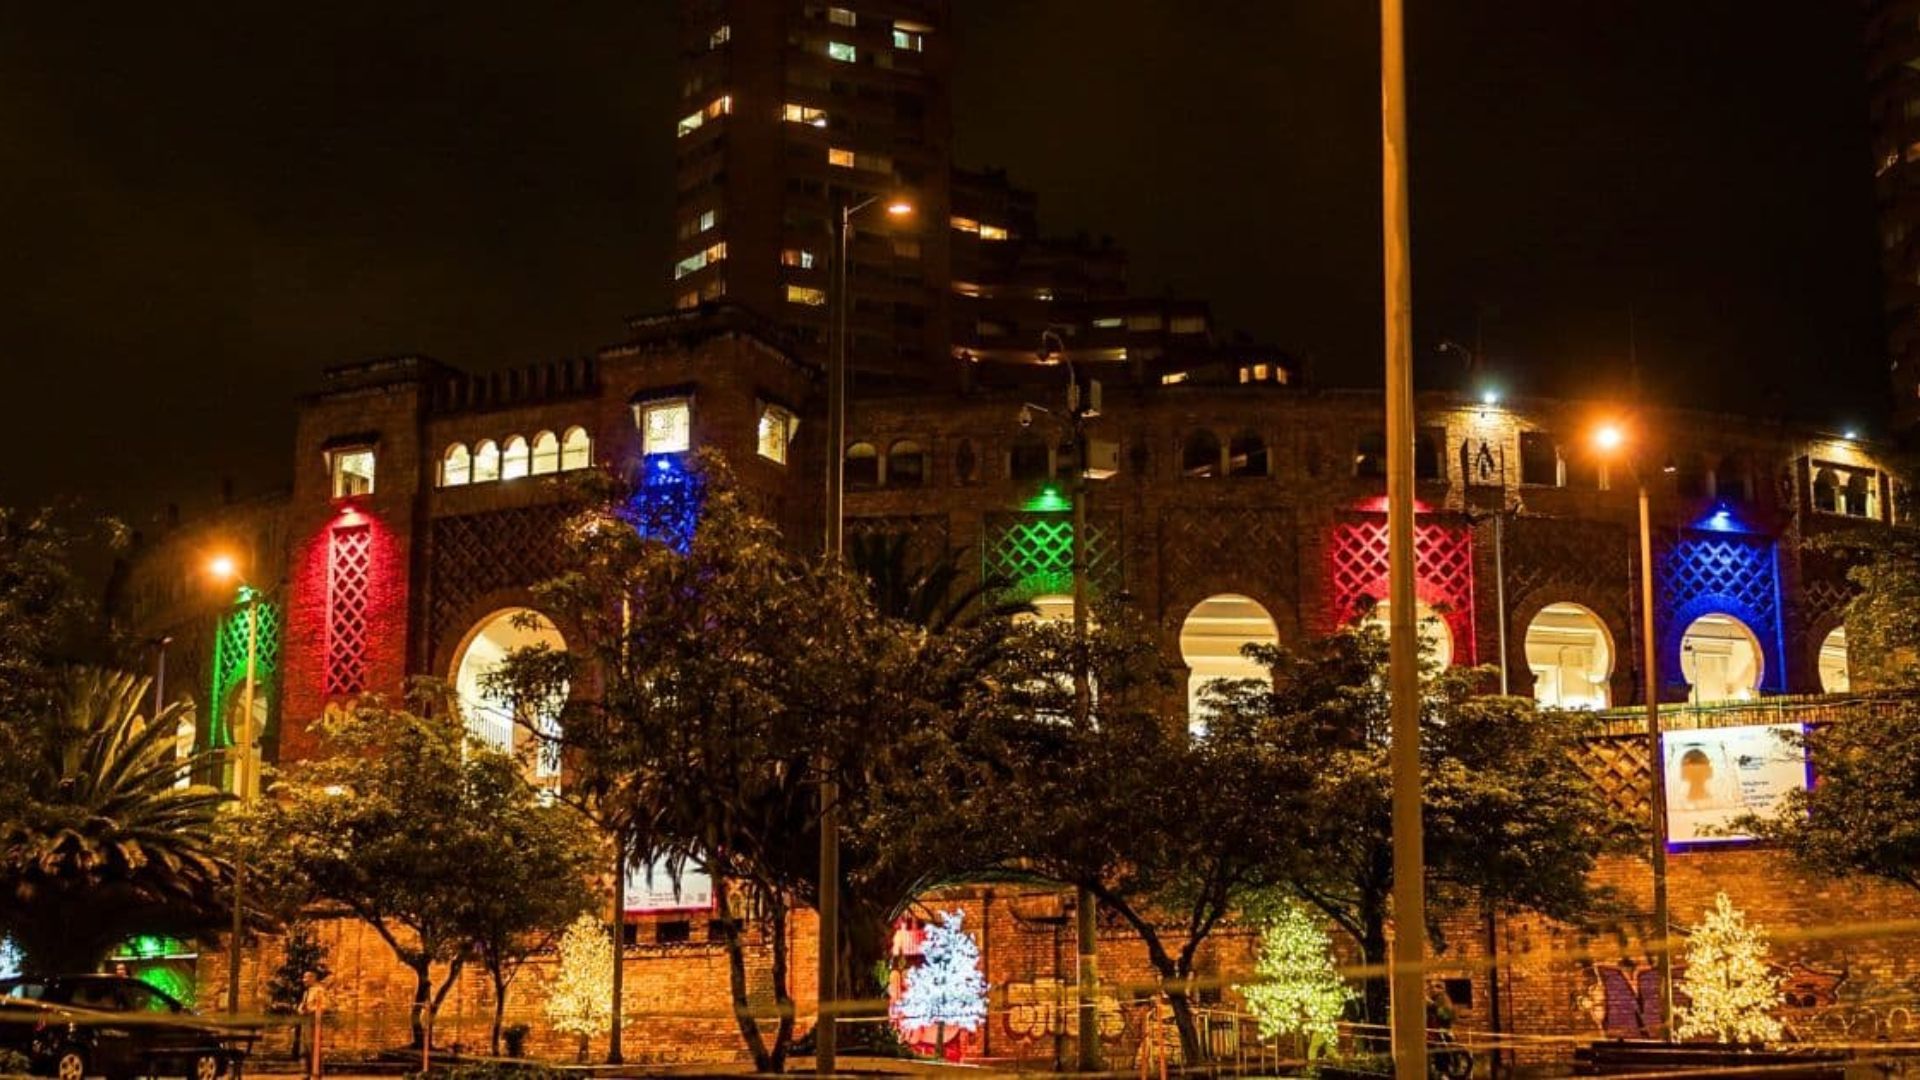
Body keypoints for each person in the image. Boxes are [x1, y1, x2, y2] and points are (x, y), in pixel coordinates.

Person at [297, 971, 331, 1080]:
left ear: (313, 978)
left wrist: (311, 1010)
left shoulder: (319, 991)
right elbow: (303, 1005)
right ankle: (305, 1074)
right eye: (303, 977)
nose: (304, 980)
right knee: (304, 1049)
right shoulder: (307, 992)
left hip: (313, 1023)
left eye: (306, 977)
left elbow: (325, 1006)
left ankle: (316, 1074)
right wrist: (300, 1009)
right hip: (305, 1022)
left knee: (313, 1048)